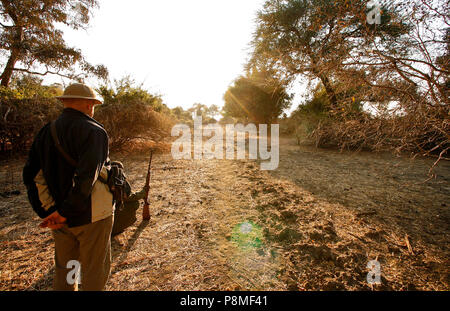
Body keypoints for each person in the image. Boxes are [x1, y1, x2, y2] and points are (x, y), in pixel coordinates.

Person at [23, 83, 114, 291]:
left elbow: (31, 175)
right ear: (90, 105)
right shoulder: (95, 132)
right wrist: (66, 212)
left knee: (67, 268)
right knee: (93, 270)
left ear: (64, 102)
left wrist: (49, 211)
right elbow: (86, 179)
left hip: (58, 218)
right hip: (93, 217)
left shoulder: (46, 131)